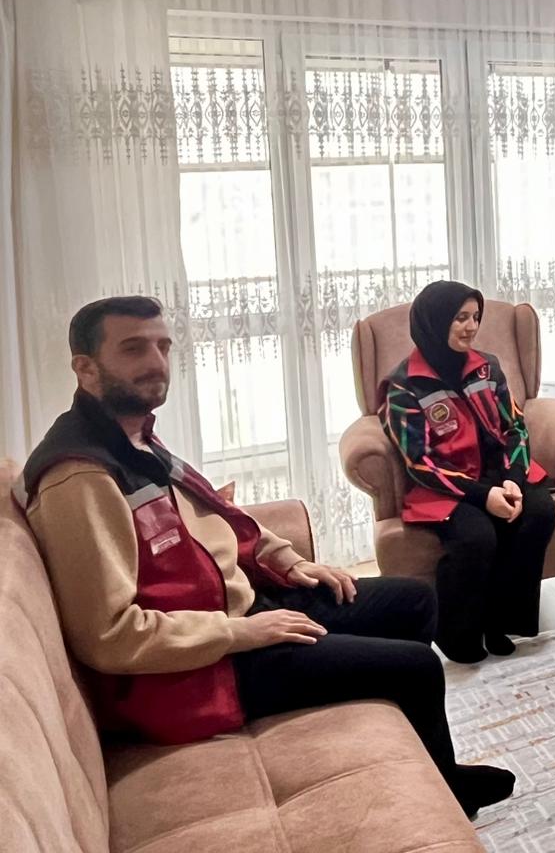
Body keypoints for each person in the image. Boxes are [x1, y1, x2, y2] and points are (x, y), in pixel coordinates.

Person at [19, 296, 515, 819]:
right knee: (416, 667)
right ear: (85, 367)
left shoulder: (132, 437)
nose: (157, 363)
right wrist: (242, 633)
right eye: (134, 348)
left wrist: (290, 563)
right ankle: (445, 793)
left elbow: (215, 518)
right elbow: (109, 635)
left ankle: (423, 763)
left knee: (413, 601)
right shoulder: (81, 477)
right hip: (200, 669)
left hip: (237, 611)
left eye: (163, 346)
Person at [382, 281, 555, 664]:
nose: (471, 326)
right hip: (447, 486)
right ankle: (456, 635)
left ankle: (501, 623)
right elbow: (419, 462)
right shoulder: (403, 386)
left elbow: (515, 426)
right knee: (477, 537)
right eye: (461, 317)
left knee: (540, 512)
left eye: (476, 317)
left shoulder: (487, 367)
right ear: (435, 321)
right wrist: (483, 496)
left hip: (499, 473)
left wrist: (513, 478)